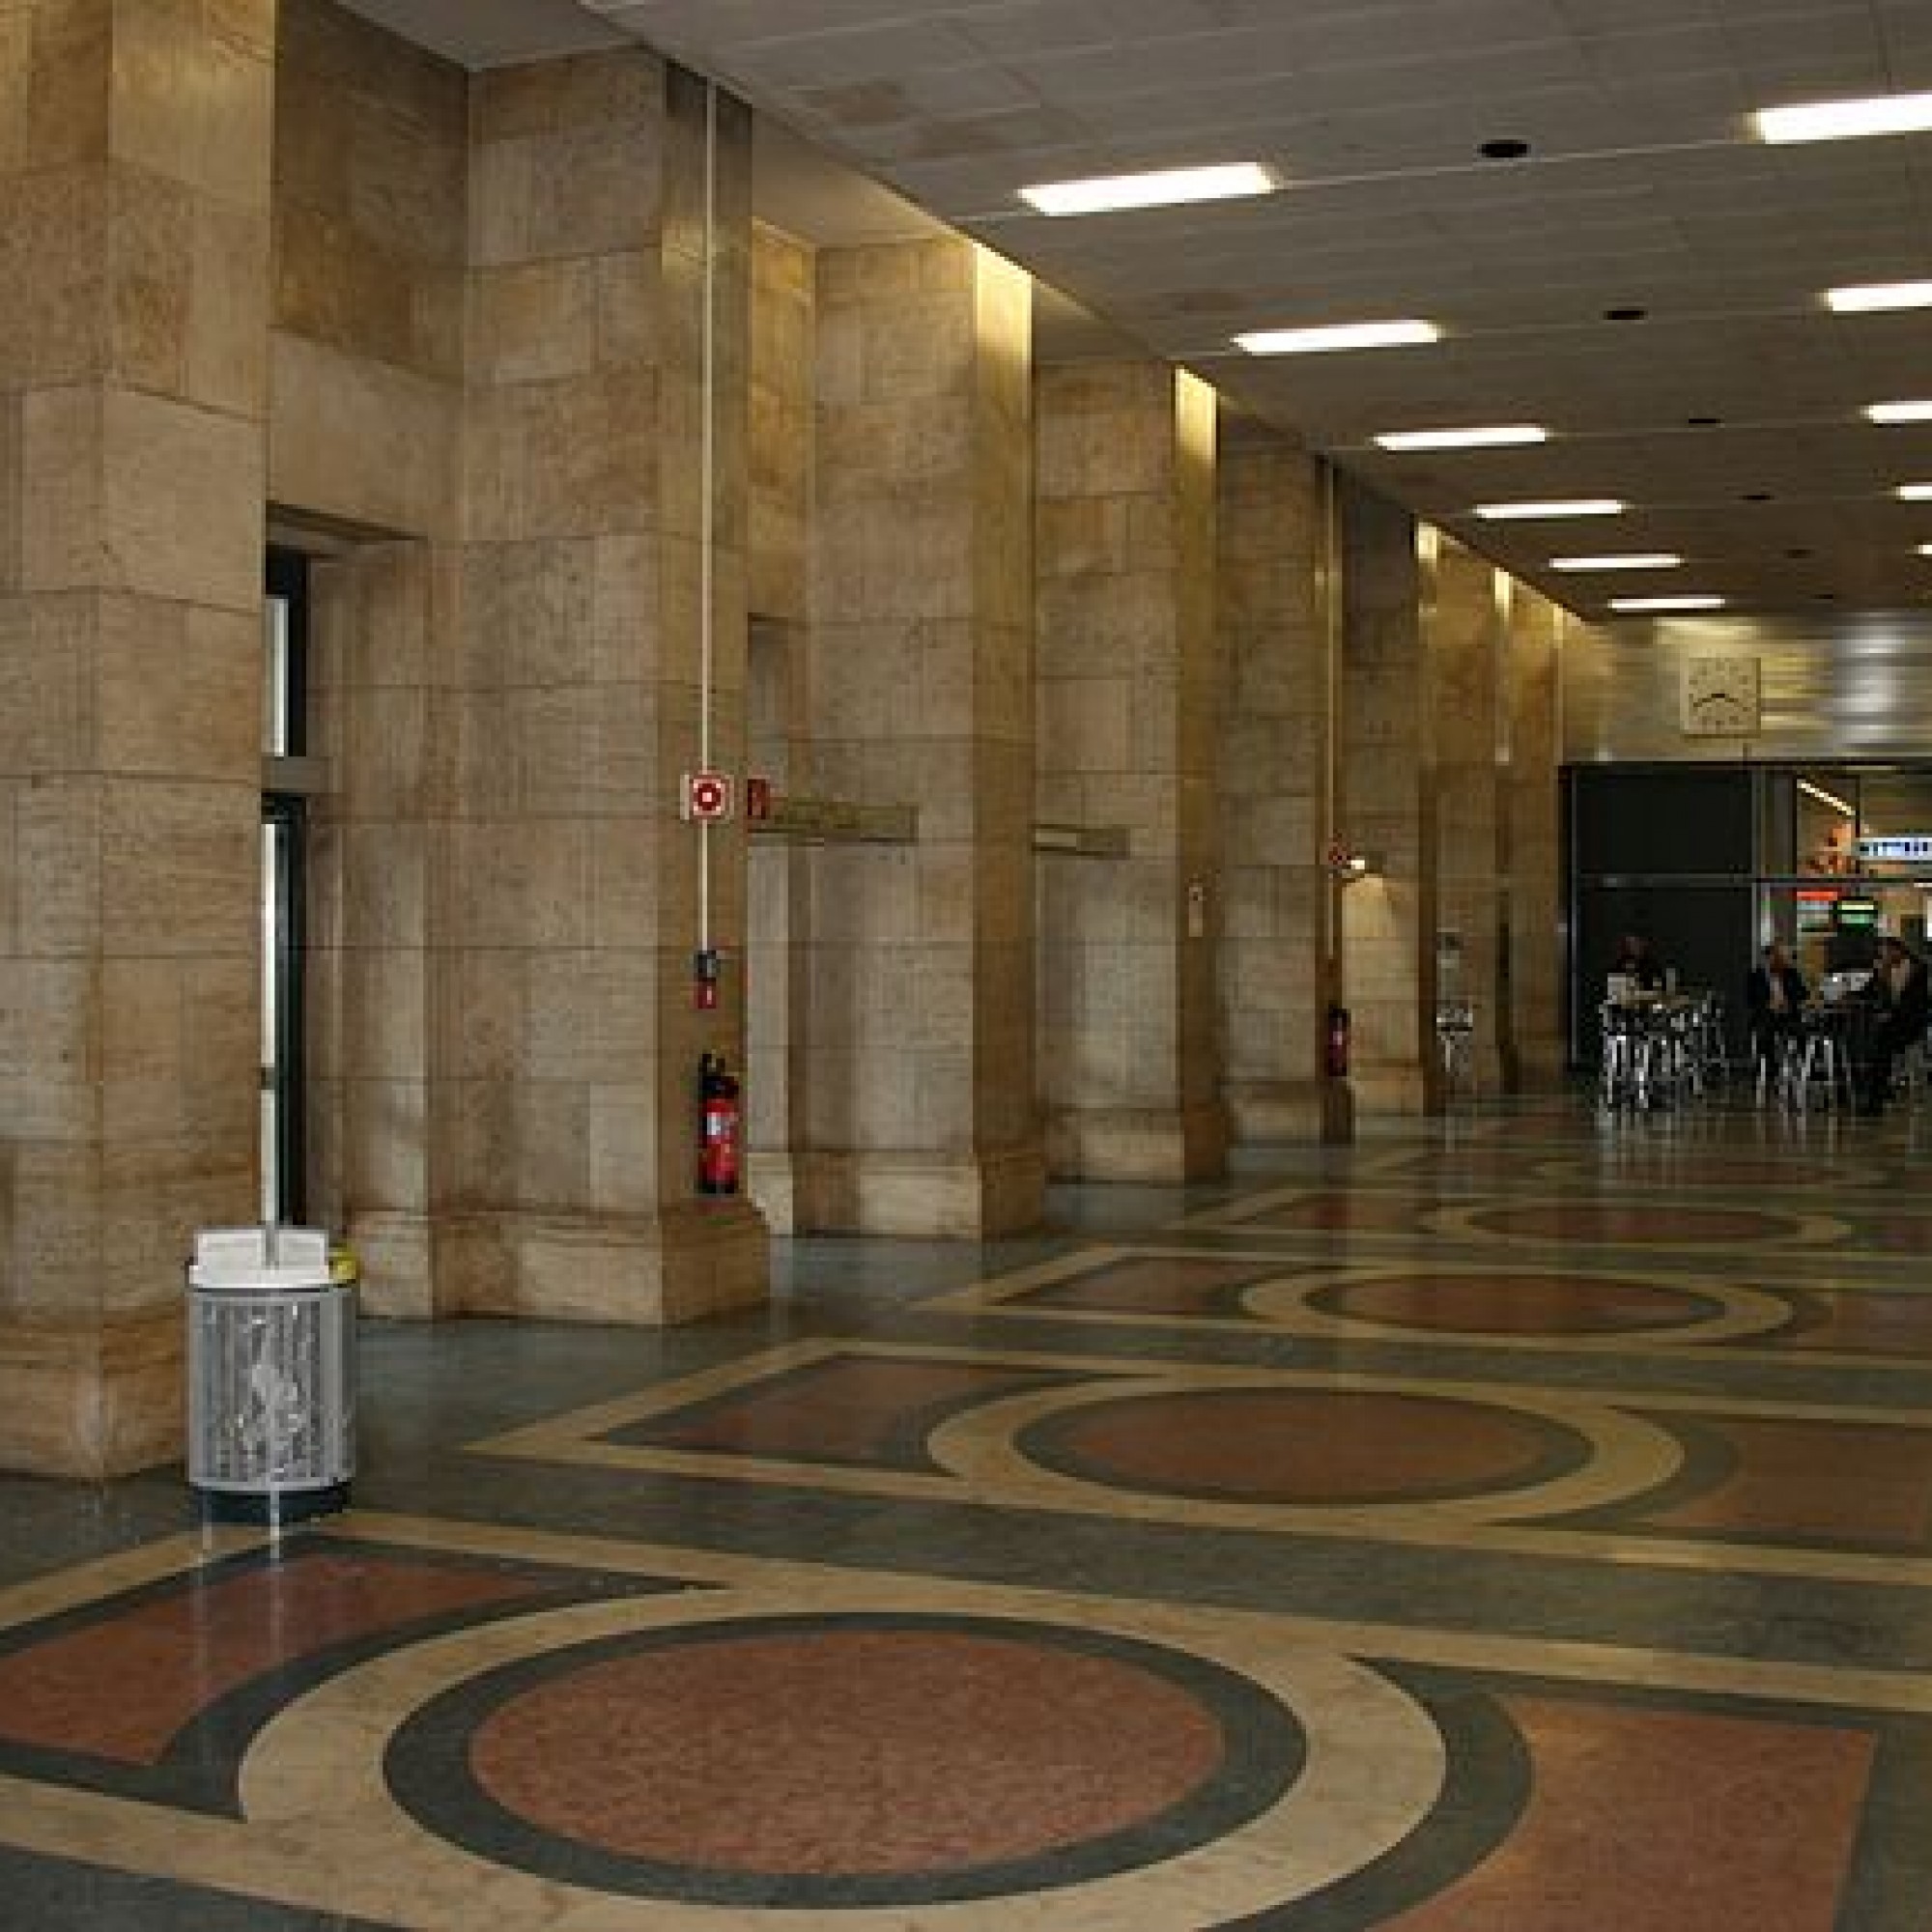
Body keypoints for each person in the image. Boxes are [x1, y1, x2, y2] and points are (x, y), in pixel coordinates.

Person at [1858, 936, 1930, 1115]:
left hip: (1911, 1023)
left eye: (1887, 952)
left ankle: (1875, 1098)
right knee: (1867, 1035)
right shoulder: (1883, 969)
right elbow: (1866, 993)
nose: (1884, 956)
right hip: (1890, 1022)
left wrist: (1890, 1014)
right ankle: (1874, 1087)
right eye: (1882, 953)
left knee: (1881, 1040)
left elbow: (1917, 1004)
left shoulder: (1919, 970)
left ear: (1898, 951)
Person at [1746, 941, 1806, 1069]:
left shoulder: (1790, 973)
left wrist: (1789, 1001)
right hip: (1766, 1015)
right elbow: (1751, 999)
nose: (1774, 961)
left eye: (1778, 957)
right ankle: (1770, 1067)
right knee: (1765, 1029)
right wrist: (1768, 1004)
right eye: (1771, 957)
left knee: (1802, 1031)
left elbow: (1803, 993)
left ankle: (1804, 1067)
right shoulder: (1755, 977)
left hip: (1788, 1014)